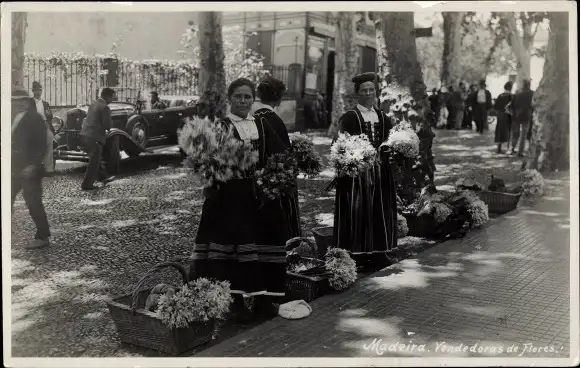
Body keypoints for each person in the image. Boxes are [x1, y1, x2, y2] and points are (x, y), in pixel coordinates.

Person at [190, 78, 289, 321]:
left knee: (263, 243)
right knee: (231, 248)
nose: (243, 101)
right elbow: (205, 161)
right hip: (230, 197)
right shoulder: (221, 127)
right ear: (230, 99)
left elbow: (280, 154)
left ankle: (263, 300)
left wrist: (274, 180)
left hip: (261, 197)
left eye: (247, 97)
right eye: (238, 97)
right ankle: (232, 301)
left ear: (253, 99)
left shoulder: (262, 125)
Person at [333, 72, 398, 271]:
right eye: (364, 90)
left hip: (380, 173)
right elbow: (339, 146)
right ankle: (357, 254)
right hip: (357, 176)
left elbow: (389, 143)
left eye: (371, 90)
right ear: (357, 94)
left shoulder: (384, 118)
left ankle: (379, 252)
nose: (368, 93)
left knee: (380, 209)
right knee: (358, 210)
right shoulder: (349, 118)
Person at [254, 77, 302, 238]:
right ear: (279, 98)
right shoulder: (273, 119)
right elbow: (282, 152)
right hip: (274, 179)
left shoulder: (254, 116)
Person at [11, 86, 52, 249]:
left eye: (17, 101)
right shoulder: (15, 117)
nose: (14, 104)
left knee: (34, 203)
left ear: (25, 102)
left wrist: (33, 165)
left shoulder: (34, 118)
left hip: (29, 170)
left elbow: (41, 144)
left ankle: (43, 236)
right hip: (15, 168)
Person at [79, 88, 116, 190]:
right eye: (112, 98)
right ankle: (87, 185)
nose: (112, 100)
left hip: (85, 135)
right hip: (94, 137)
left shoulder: (93, 104)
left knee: (96, 159)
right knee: (94, 163)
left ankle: (104, 177)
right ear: (107, 97)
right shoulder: (105, 107)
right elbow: (107, 125)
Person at [31, 81, 55, 175]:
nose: (38, 92)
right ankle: (35, 169)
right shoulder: (30, 102)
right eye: (36, 90)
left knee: (49, 145)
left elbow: (50, 115)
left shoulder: (45, 103)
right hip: (34, 126)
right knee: (35, 147)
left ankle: (48, 169)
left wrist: (50, 115)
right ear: (33, 91)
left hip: (46, 125)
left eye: (40, 90)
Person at [510, 79, 534, 157]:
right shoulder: (532, 93)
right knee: (524, 133)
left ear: (523, 85)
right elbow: (533, 105)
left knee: (515, 133)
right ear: (529, 84)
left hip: (517, 115)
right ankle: (520, 151)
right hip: (527, 115)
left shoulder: (517, 93)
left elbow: (512, 105)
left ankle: (512, 148)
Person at [493, 82, 514, 154]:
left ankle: (499, 148)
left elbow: (495, 106)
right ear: (510, 88)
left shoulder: (500, 95)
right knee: (508, 130)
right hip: (508, 115)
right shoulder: (511, 96)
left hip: (500, 115)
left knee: (499, 130)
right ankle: (508, 148)